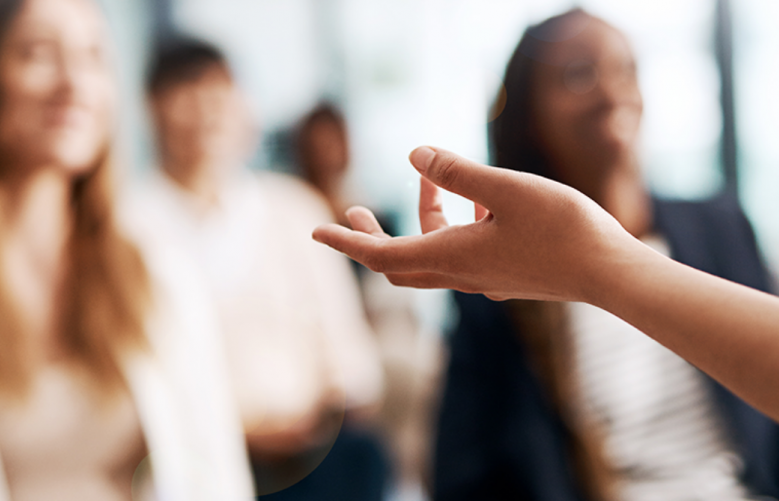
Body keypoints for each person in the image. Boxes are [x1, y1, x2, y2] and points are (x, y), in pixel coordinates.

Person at [432, 10, 779, 501]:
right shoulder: (498, 285)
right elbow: (461, 474)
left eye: (626, 70)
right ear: (529, 115)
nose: (612, 92)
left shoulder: (719, 225)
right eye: (578, 74)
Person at [0, 0, 253, 500]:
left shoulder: (156, 275)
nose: (73, 82)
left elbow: (214, 473)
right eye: (38, 53)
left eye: (94, 56)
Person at [124, 38, 387, 499]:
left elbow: (348, 357)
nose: (207, 111)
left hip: (313, 457)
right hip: (189, 463)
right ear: (153, 108)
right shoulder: (127, 226)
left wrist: (325, 414)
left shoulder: (292, 208)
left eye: (220, 93)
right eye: (187, 95)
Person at [296, 102, 445, 500]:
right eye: (318, 141)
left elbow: (398, 293)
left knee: (415, 373)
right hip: (338, 350)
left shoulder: (375, 212)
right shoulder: (293, 215)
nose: (328, 150)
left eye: (335, 139)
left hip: (383, 339)